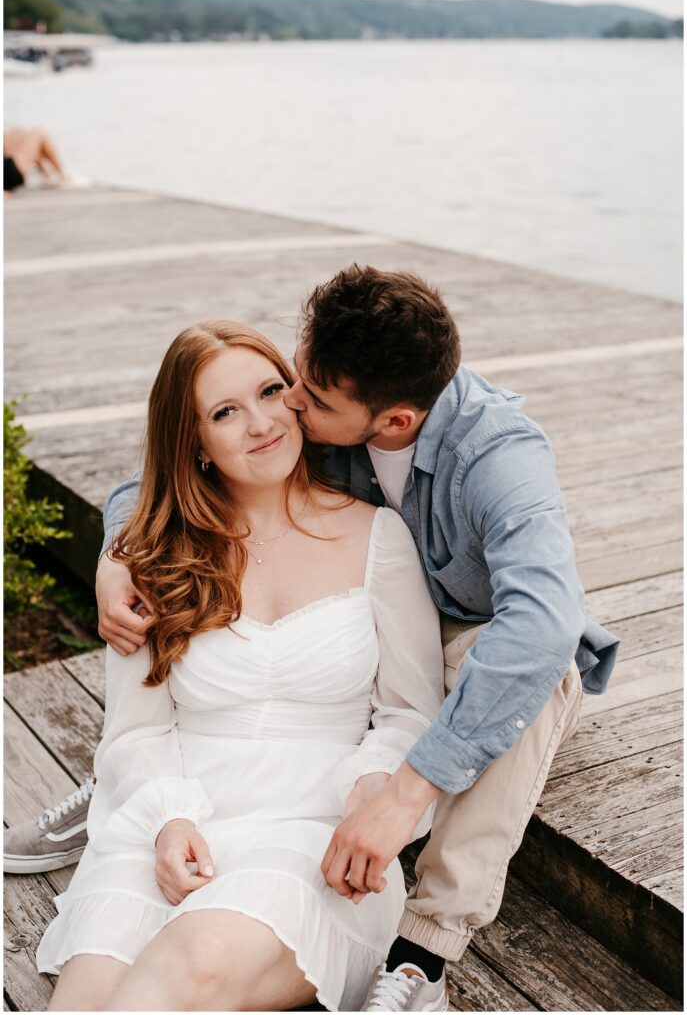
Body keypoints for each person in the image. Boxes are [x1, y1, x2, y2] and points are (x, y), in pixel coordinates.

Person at [17, 265, 619, 1011]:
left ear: (392, 421)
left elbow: (537, 626)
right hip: (208, 766)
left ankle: (424, 950)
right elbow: (165, 474)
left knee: (537, 668)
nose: (285, 410)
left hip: (478, 628)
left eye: (297, 396)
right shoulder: (317, 418)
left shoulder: (495, 457)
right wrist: (117, 555)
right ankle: (126, 787)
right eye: (285, 382)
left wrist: (399, 792)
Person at [35, 320, 446, 1012]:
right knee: (87, 997)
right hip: (175, 821)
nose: (260, 423)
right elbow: (133, 733)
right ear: (193, 440)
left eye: (270, 391)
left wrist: (369, 791)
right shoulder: (150, 556)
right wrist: (167, 822)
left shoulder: (376, 535)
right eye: (225, 412)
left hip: (316, 829)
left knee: (190, 963)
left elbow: (411, 710)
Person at [3, 128, 68, 193]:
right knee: (39, 133)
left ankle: (48, 176)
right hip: (10, 173)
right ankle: (62, 176)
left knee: (30, 143)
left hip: (9, 175)